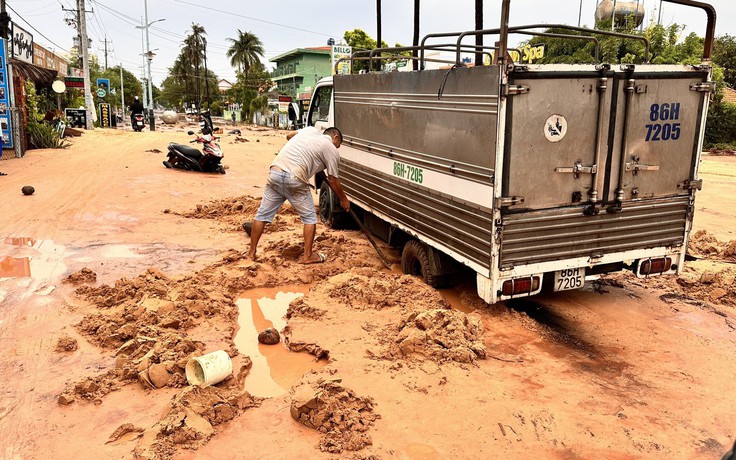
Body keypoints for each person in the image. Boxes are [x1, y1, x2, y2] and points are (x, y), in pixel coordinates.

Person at [247, 126, 349, 264]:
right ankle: (308, 256)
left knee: (262, 215)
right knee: (309, 218)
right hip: (294, 178)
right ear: (335, 138)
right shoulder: (329, 147)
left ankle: (251, 254)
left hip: (275, 172)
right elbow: (333, 180)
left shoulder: (310, 130)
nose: (337, 148)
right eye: (339, 145)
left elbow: (289, 136)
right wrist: (343, 199)